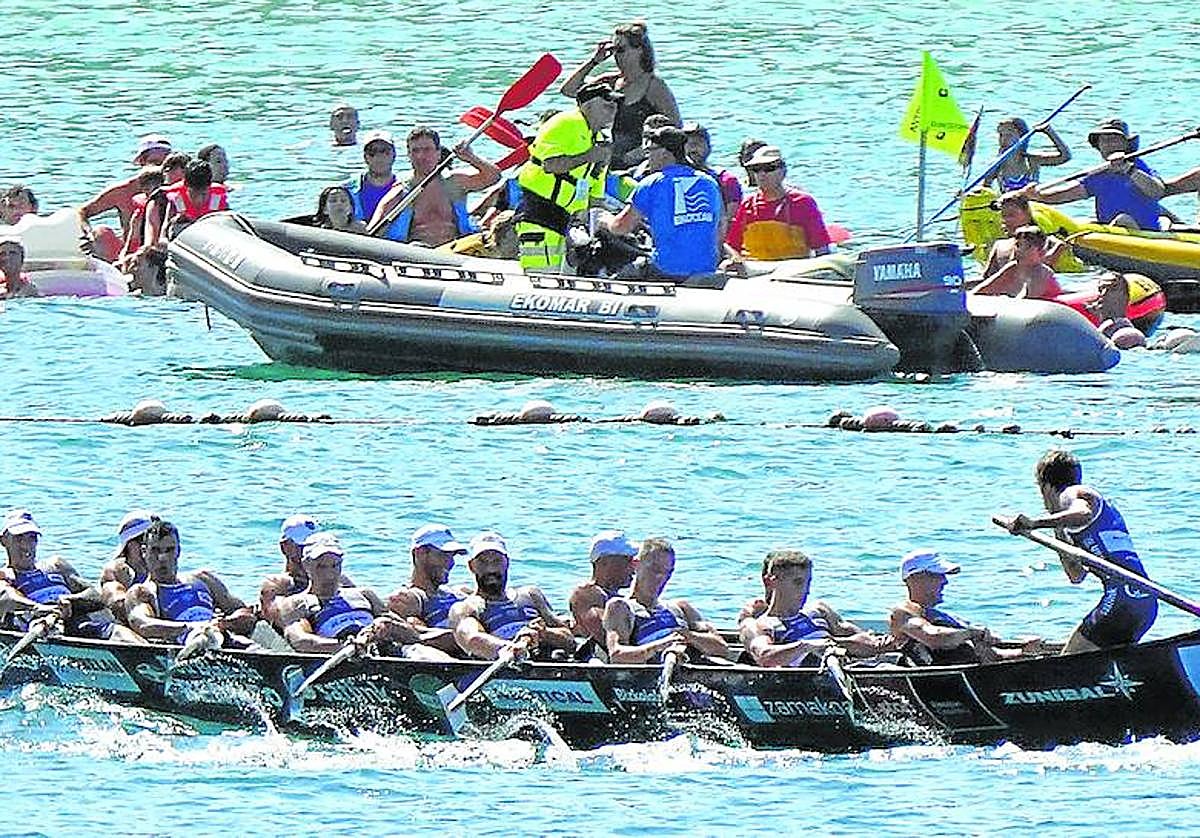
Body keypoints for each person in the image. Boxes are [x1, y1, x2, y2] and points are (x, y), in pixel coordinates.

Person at [998, 448, 1157, 653]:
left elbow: (1083, 513)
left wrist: (1035, 523)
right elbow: (1076, 576)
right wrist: (1058, 533)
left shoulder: (1070, 493)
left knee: (1067, 663)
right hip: (1145, 602)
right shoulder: (1074, 521)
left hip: (1120, 601)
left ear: (1045, 487)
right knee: (1107, 668)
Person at [514, 81, 619, 273]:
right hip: (541, 211)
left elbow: (596, 195)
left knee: (568, 276)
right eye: (606, 104)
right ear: (588, 105)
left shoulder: (601, 141)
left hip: (571, 222)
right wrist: (588, 156)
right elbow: (550, 164)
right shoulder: (566, 122)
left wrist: (605, 226)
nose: (612, 109)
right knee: (542, 274)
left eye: (614, 105)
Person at [277, 532, 435, 655]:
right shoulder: (297, 603)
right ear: (306, 565)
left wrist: (391, 628)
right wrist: (346, 646)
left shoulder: (365, 595)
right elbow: (300, 641)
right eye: (321, 567)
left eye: (334, 565)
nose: (330, 575)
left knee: (420, 651)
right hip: (341, 659)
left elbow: (413, 636)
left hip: (382, 651)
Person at [0, 509, 144, 643]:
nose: (27, 545)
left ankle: (151, 653)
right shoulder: (5, 576)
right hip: (41, 628)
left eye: (32, 538)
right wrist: (39, 608)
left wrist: (71, 600)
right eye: (19, 538)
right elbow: (7, 598)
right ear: (4, 541)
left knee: (117, 630)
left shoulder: (56, 565)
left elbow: (95, 595)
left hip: (75, 621)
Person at [603, 125, 722, 280]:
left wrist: (603, 220)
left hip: (667, 270)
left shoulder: (652, 183)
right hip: (707, 268)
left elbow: (621, 227)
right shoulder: (709, 182)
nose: (648, 157)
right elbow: (719, 226)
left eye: (651, 151)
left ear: (665, 153)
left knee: (623, 273)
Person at [560, 20, 681, 170]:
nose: (616, 55)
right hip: (605, 159)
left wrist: (641, 152)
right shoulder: (609, 82)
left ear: (640, 50)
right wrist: (594, 61)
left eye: (621, 49)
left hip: (636, 163)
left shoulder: (654, 86)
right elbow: (568, 90)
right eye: (613, 50)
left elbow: (676, 127)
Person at [888, 549, 1040, 666]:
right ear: (915, 578)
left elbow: (992, 657)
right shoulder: (902, 613)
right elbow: (935, 637)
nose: (945, 581)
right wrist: (971, 633)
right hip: (939, 685)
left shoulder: (952, 620)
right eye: (938, 576)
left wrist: (1024, 651)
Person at [740, 550, 886, 667]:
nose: (805, 590)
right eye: (798, 583)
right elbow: (765, 657)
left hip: (852, 668)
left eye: (808, 582)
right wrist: (805, 646)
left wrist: (832, 642)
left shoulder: (819, 612)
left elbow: (870, 644)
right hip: (806, 683)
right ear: (771, 582)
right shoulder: (761, 625)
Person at [125, 518, 256, 646]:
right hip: (188, 641)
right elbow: (142, 624)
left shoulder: (203, 579)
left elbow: (243, 611)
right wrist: (191, 627)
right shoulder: (142, 592)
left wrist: (227, 622)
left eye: (169, 550)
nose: (162, 558)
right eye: (155, 550)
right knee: (201, 638)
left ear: (178, 551)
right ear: (143, 552)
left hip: (222, 635)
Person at [448, 531, 575, 661]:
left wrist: (544, 634)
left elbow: (569, 640)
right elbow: (472, 639)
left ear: (507, 562)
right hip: (505, 666)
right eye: (483, 562)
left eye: (497, 561)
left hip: (548, 662)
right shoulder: (465, 608)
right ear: (471, 566)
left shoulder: (530, 595)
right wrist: (509, 648)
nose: (491, 568)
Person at [602, 537, 730, 663]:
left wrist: (689, 637)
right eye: (655, 570)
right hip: (656, 672)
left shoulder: (681, 608)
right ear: (636, 565)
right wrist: (660, 645)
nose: (661, 578)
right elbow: (617, 655)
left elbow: (722, 648)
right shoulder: (620, 607)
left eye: (667, 572)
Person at [1022, 118, 1166, 230]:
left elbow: (1157, 191)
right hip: (1113, 232)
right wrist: (1038, 196)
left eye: (1114, 140)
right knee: (1082, 221)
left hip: (1143, 233)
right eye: (1104, 141)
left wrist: (1129, 170)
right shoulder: (1099, 174)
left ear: (1125, 144)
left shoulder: (1139, 167)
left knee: (1123, 219)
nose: (1108, 145)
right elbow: (1067, 194)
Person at [367, 127, 499, 246]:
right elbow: (370, 234)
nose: (421, 156)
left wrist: (470, 157)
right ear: (409, 155)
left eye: (427, 150)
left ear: (438, 153)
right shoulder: (400, 193)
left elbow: (493, 176)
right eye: (415, 151)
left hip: (457, 250)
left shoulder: (455, 182)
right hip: (418, 254)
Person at [725, 145, 832, 262]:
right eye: (756, 169)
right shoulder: (747, 205)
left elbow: (822, 249)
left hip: (794, 273)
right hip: (754, 272)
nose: (762, 174)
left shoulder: (802, 202)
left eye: (769, 168)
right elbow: (732, 246)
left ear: (783, 171)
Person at [386, 523, 469, 654]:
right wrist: (474, 640)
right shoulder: (406, 599)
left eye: (452, 556)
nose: (451, 562)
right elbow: (418, 640)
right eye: (443, 555)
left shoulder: (461, 593)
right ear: (420, 553)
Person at [567, 530, 638, 655]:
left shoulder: (621, 598)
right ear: (605, 562)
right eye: (628, 560)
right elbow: (605, 635)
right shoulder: (587, 593)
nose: (634, 567)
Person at [142, 159, 229, 253]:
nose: (199, 198)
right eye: (194, 194)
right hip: (184, 237)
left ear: (209, 186)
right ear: (186, 186)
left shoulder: (217, 197)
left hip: (209, 237)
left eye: (203, 194)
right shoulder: (177, 197)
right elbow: (165, 229)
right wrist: (163, 241)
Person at [980, 193, 1067, 279]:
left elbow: (1039, 274)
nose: (1006, 220)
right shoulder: (1000, 245)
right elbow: (987, 279)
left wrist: (1058, 248)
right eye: (1003, 215)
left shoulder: (1050, 243)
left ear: (1027, 215)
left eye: (1011, 215)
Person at [972, 225, 1064, 299]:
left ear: (1041, 252)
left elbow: (1027, 302)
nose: (1019, 250)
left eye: (1026, 246)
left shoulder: (1039, 273)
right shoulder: (1013, 267)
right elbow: (983, 290)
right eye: (1017, 245)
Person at [983, 117, 1071, 192]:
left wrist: (1049, 131)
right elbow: (986, 189)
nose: (1003, 139)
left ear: (1022, 137)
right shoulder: (996, 166)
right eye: (1001, 135)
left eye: (1009, 135)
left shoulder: (1033, 160)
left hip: (1033, 206)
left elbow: (1065, 156)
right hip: (1009, 208)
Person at [98, 509, 156, 622]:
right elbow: (118, 606)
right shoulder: (115, 570)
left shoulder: (159, 569)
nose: (152, 544)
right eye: (146, 539)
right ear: (130, 544)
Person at [683, 122, 743, 220]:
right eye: (687, 143)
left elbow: (732, 220)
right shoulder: (671, 181)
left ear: (709, 147)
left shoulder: (726, 180)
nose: (693, 147)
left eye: (698, 143)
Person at [344, 130, 399, 228]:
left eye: (385, 151)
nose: (379, 157)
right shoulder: (346, 191)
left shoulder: (408, 190)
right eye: (372, 152)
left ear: (394, 155)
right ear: (365, 157)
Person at [1088, 271, 1147, 349]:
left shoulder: (1127, 334)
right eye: (1101, 289)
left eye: (1112, 288)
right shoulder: (1096, 318)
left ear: (1126, 297)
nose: (1103, 293)